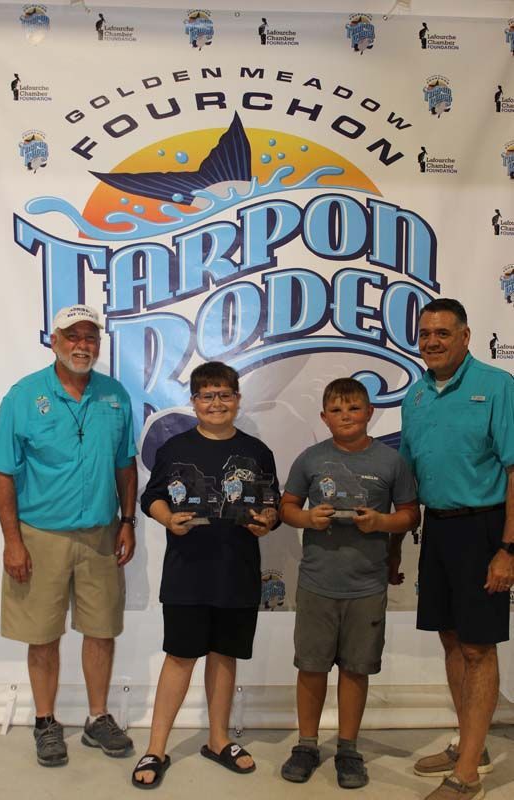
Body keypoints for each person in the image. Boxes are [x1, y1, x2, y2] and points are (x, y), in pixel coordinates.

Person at [0, 305, 137, 768]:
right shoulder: (23, 396)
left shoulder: (115, 396)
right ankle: (47, 722)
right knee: (43, 634)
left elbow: (125, 463)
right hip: (40, 536)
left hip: (99, 536)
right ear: (54, 341)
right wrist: (12, 540)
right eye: (73, 336)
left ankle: (97, 719)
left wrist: (127, 520)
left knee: (101, 630)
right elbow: (2, 472)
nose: (82, 344)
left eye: (91, 336)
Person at [132, 361, 279, 789]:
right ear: (194, 402)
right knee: (179, 656)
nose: (216, 403)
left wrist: (267, 521)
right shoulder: (175, 448)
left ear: (237, 399)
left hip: (237, 571)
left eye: (224, 395)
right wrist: (168, 520)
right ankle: (156, 747)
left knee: (224, 655)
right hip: (187, 573)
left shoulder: (257, 451)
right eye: (207, 396)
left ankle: (217, 740)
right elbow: (152, 498)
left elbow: (272, 504)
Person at [280, 378, 419, 789]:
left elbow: (411, 514)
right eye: (337, 410)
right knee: (311, 667)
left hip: (367, 586)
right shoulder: (310, 459)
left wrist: (380, 522)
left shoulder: (391, 462)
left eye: (354, 409)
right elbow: (287, 507)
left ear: (369, 413)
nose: (346, 417)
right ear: (324, 417)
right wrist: (307, 518)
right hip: (317, 583)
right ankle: (306, 744)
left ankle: (348, 748)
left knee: (357, 670)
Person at [400, 298, 514, 800]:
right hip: (438, 530)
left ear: (466, 336)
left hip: (485, 529)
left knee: (477, 647)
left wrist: (509, 548)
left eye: (442, 333)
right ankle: (473, 744)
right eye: (424, 333)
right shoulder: (416, 396)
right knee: (451, 641)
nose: (431, 342)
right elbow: (408, 480)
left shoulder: (497, 387)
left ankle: (466, 776)